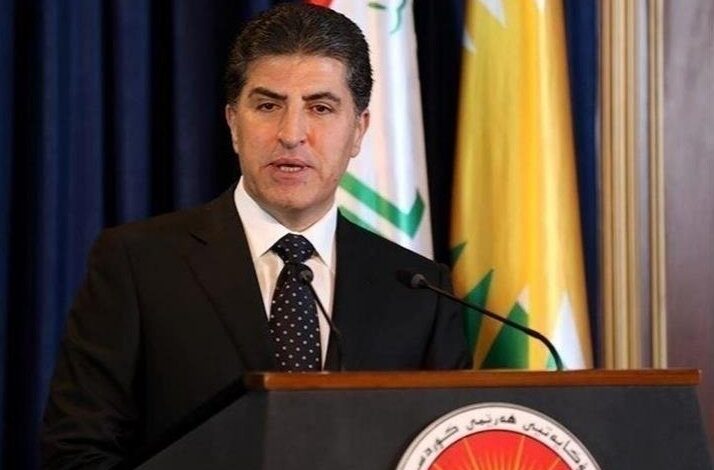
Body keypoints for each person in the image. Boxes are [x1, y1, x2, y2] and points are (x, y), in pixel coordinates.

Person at [41, 3, 470, 468]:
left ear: (358, 131)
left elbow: (448, 452)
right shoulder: (137, 264)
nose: (291, 134)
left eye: (320, 108)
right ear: (233, 123)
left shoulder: (420, 293)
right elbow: (77, 452)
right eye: (268, 106)